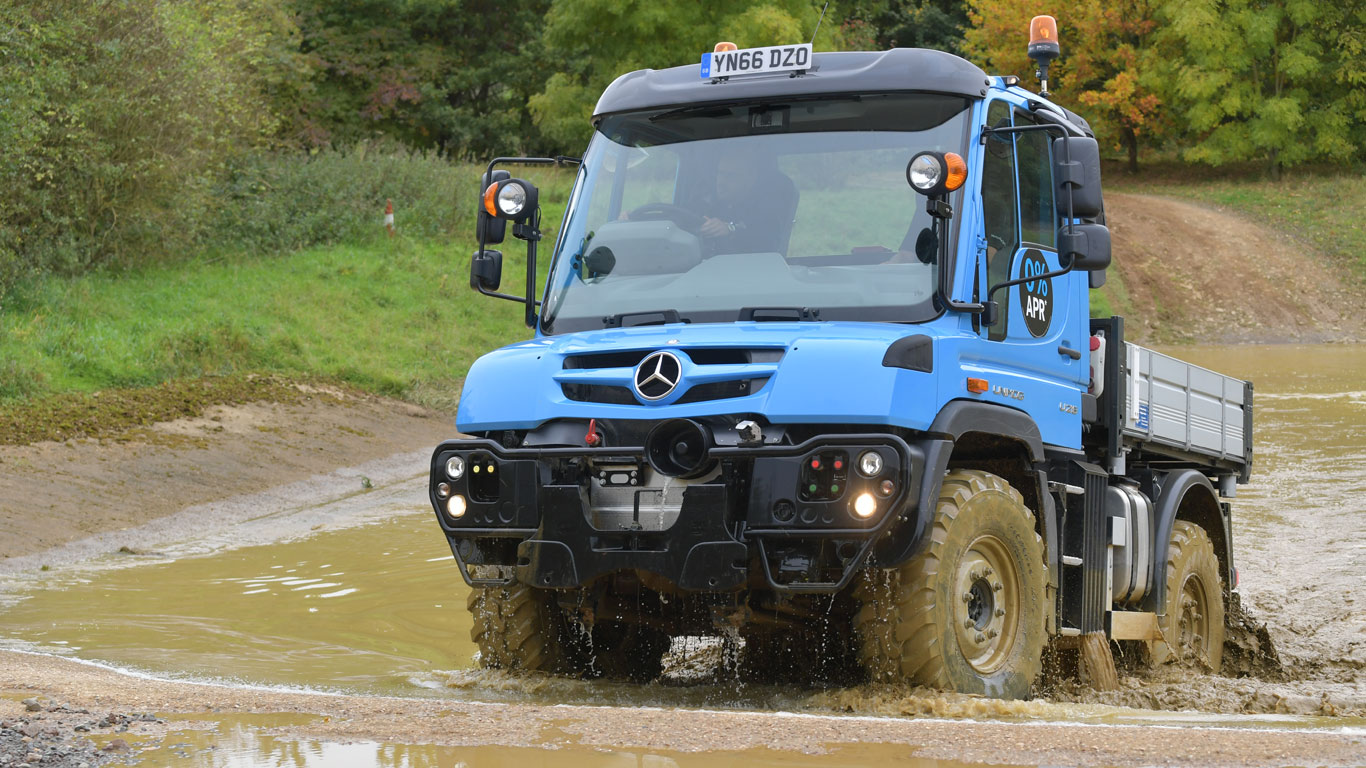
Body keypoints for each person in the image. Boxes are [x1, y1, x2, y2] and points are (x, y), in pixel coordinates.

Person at [694, 148, 797, 256]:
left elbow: (767, 240)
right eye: (720, 173)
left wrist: (730, 229)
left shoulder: (765, 209)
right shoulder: (708, 203)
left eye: (730, 175)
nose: (721, 182)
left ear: (751, 178)